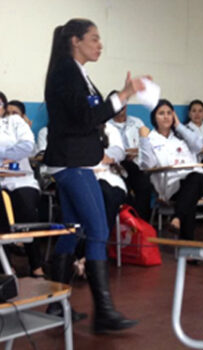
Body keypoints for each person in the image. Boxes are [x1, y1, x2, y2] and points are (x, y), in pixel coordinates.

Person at [44, 18, 146, 332]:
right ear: (75, 40)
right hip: (73, 164)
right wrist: (123, 95)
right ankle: (104, 314)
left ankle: (54, 305)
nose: (99, 45)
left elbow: (91, 113)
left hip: (74, 162)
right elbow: (89, 117)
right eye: (94, 38)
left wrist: (119, 96)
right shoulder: (66, 72)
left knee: (72, 232)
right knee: (99, 230)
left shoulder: (78, 74)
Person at [139, 99, 203, 241]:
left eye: (169, 113)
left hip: (197, 181)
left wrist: (178, 125)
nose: (166, 117)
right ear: (154, 118)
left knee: (195, 178)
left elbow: (198, 146)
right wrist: (143, 140)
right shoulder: (150, 139)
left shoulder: (182, 135)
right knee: (189, 198)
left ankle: (177, 218)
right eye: (161, 113)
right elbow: (148, 165)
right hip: (172, 187)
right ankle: (186, 245)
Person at [0, 91, 45, 277]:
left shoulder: (15, 124)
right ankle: (6, 267)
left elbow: (27, 146)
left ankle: (36, 265)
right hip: (1, 182)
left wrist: (5, 156)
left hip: (22, 179)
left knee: (26, 211)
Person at [107, 97, 153, 221]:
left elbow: (147, 144)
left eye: (122, 105)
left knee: (145, 185)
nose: (120, 109)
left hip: (136, 163)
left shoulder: (137, 122)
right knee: (122, 188)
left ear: (126, 106)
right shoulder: (106, 125)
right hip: (116, 165)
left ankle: (142, 223)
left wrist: (137, 151)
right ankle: (129, 221)